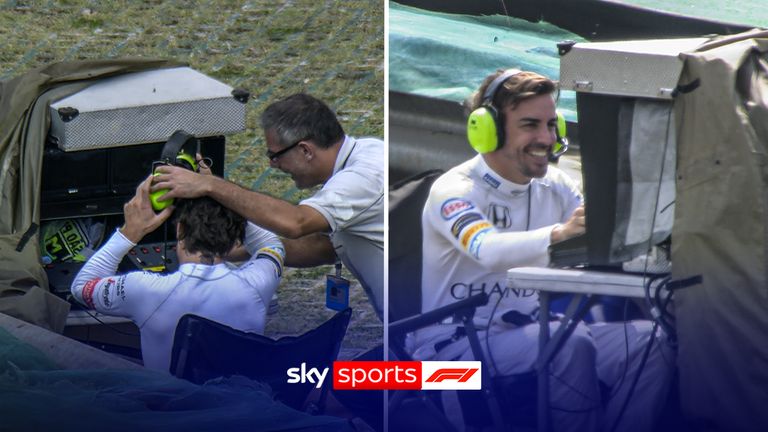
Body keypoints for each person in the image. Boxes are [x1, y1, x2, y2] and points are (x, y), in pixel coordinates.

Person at [413, 69, 673, 432]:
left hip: (538, 331)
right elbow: (486, 249)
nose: (547, 138)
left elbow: (605, 242)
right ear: (488, 129)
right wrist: (560, 233)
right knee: (570, 345)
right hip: (448, 354)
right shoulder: (453, 189)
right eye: (530, 125)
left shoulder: (558, 185)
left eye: (552, 124)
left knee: (653, 341)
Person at [151, 93, 384, 319]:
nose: (272, 165)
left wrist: (211, 186)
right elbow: (323, 246)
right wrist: (239, 249)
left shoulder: (363, 179)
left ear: (305, 150)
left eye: (275, 155)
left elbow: (296, 222)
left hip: (416, 339)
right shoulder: (370, 152)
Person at [71, 177, 284, 372]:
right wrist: (222, 191)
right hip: (243, 409)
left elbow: (82, 288)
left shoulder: (145, 290)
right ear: (237, 238)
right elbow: (272, 244)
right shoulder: (257, 284)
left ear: (179, 229)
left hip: (171, 411)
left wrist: (129, 233)